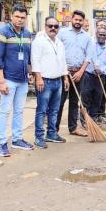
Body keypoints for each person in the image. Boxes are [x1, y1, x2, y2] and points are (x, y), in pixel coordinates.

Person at [0, 5, 34, 157]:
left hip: (23, 80)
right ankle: (1, 143)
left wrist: (30, 74)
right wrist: (1, 81)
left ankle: (17, 139)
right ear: (11, 16)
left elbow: (28, 57)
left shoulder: (28, 34)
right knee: (4, 111)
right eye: (17, 17)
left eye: (23, 17)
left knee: (19, 111)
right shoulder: (2, 33)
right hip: (8, 79)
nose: (20, 20)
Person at [31, 17, 70, 148]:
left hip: (58, 81)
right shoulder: (39, 41)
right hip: (45, 81)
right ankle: (39, 137)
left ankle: (52, 134)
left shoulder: (59, 42)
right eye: (50, 26)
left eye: (55, 26)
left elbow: (63, 61)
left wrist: (65, 78)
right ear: (45, 26)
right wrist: (38, 78)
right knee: (42, 110)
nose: (53, 28)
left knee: (55, 110)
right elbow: (35, 60)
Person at [56, 10, 93, 137]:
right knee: (59, 101)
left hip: (79, 73)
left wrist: (81, 72)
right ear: (72, 19)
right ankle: (54, 130)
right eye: (76, 19)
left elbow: (88, 57)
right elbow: (57, 52)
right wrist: (65, 72)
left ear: (83, 22)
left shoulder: (87, 37)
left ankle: (73, 128)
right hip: (63, 73)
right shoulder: (62, 33)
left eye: (80, 20)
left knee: (74, 101)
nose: (78, 22)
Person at [82, 27, 106, 122]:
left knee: (98, 98)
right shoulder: (90, 44)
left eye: (104, 35)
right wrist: (95, 65)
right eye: (100, 34)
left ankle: (93, 119)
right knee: (86, 98)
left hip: (101, 77)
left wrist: (102, 70)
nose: (102, 36)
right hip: (89, 75)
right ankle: (84, 120)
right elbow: (88, 56)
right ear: (96, 34)